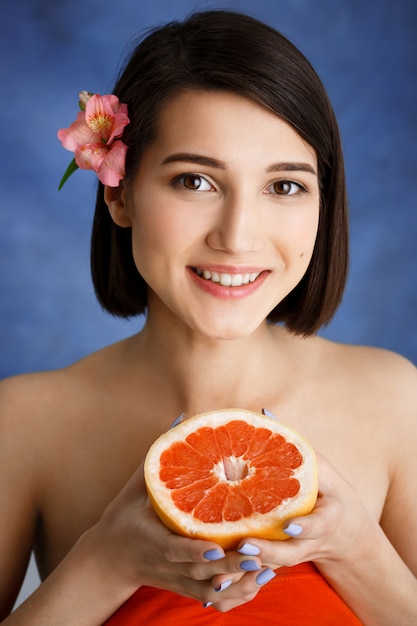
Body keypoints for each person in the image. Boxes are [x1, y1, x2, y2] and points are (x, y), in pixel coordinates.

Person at [1, 9, 416, 625]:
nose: (238, 237)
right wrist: (105, 561)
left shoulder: (394, 398)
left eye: (284, 187)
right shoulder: (25, 422)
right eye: (194, 180)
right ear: (119, 192)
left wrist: (353, 549)